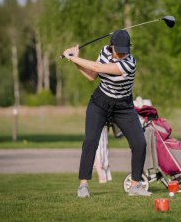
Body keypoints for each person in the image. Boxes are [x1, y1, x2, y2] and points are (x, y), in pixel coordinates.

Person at [62, 30, 151, 198]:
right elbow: (92, 75)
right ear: (111, 46)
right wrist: (75, 60)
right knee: (90, 141)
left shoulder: (129, 63)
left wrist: (72, 57)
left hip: (123, 106)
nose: (122, 53)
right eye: (119, 49)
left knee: (140, 143)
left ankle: (135, 185)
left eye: (125, 49)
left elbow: (97, 67)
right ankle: (83, 186)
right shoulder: (104, 51)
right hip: (99, 103)